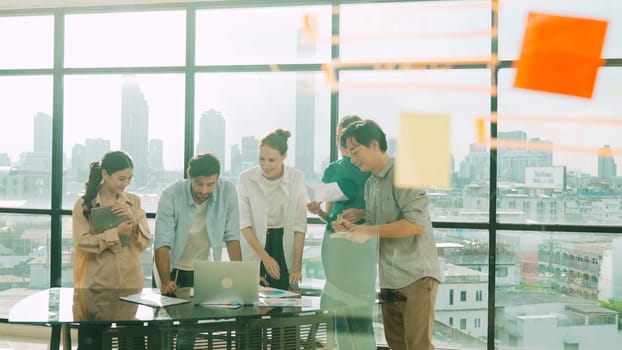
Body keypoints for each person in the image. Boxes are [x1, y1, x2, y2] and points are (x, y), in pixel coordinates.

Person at [332, 119, 441, 350]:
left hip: (416, 276)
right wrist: (352, 229)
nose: (352, 158)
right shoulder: (371, 184)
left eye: (355, 151)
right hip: (389, 277)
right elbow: (374, 224)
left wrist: (366, 229)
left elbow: (415, 224)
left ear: (373, 144)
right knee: (396, 346)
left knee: (418, 346)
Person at [307, 115, 377, 350]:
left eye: (346, 139)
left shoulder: (369, 168)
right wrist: (318, 212)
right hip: (334, 242)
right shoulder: (332, 170)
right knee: (336, 303)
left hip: (361, 242)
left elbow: (384, 209)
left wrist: (361, 212)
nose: (342, 144)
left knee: (361, 306)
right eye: (339, 139)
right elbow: (329, 215)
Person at [72, 150, 150, 349]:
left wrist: (132, 220)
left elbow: (143, 241)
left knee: (130, 337)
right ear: (105, 174)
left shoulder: (134, 201)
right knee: (94, 338)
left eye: (129, 178)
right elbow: (81, 242)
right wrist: (116, 233)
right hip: (98, 281)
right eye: (121, 178)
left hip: (129, 281)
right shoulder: (84, 204)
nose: (125, 183)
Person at [154, 152, 241, 296]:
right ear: (189, 175)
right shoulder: (170, 194)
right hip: (172, 268)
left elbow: (232, 237)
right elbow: (162, 242)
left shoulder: (227, 191)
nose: (204, 190)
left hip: (205, 269)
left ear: (218, 177)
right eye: (199, 184)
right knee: (170, 313)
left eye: (210, 184)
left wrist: (240, 278)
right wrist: (165, 281)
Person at [238, 128, 308, 291]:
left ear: (284, 157)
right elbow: (244, 223)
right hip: (255, 243)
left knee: (284, 300)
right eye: (261, 159)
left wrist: (297, 266)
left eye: (271, 160)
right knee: (252, 300)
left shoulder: (297, 178)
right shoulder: (246, 178)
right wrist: (265, 258)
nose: (265, 165)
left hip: (283, 242)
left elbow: (299, 226)